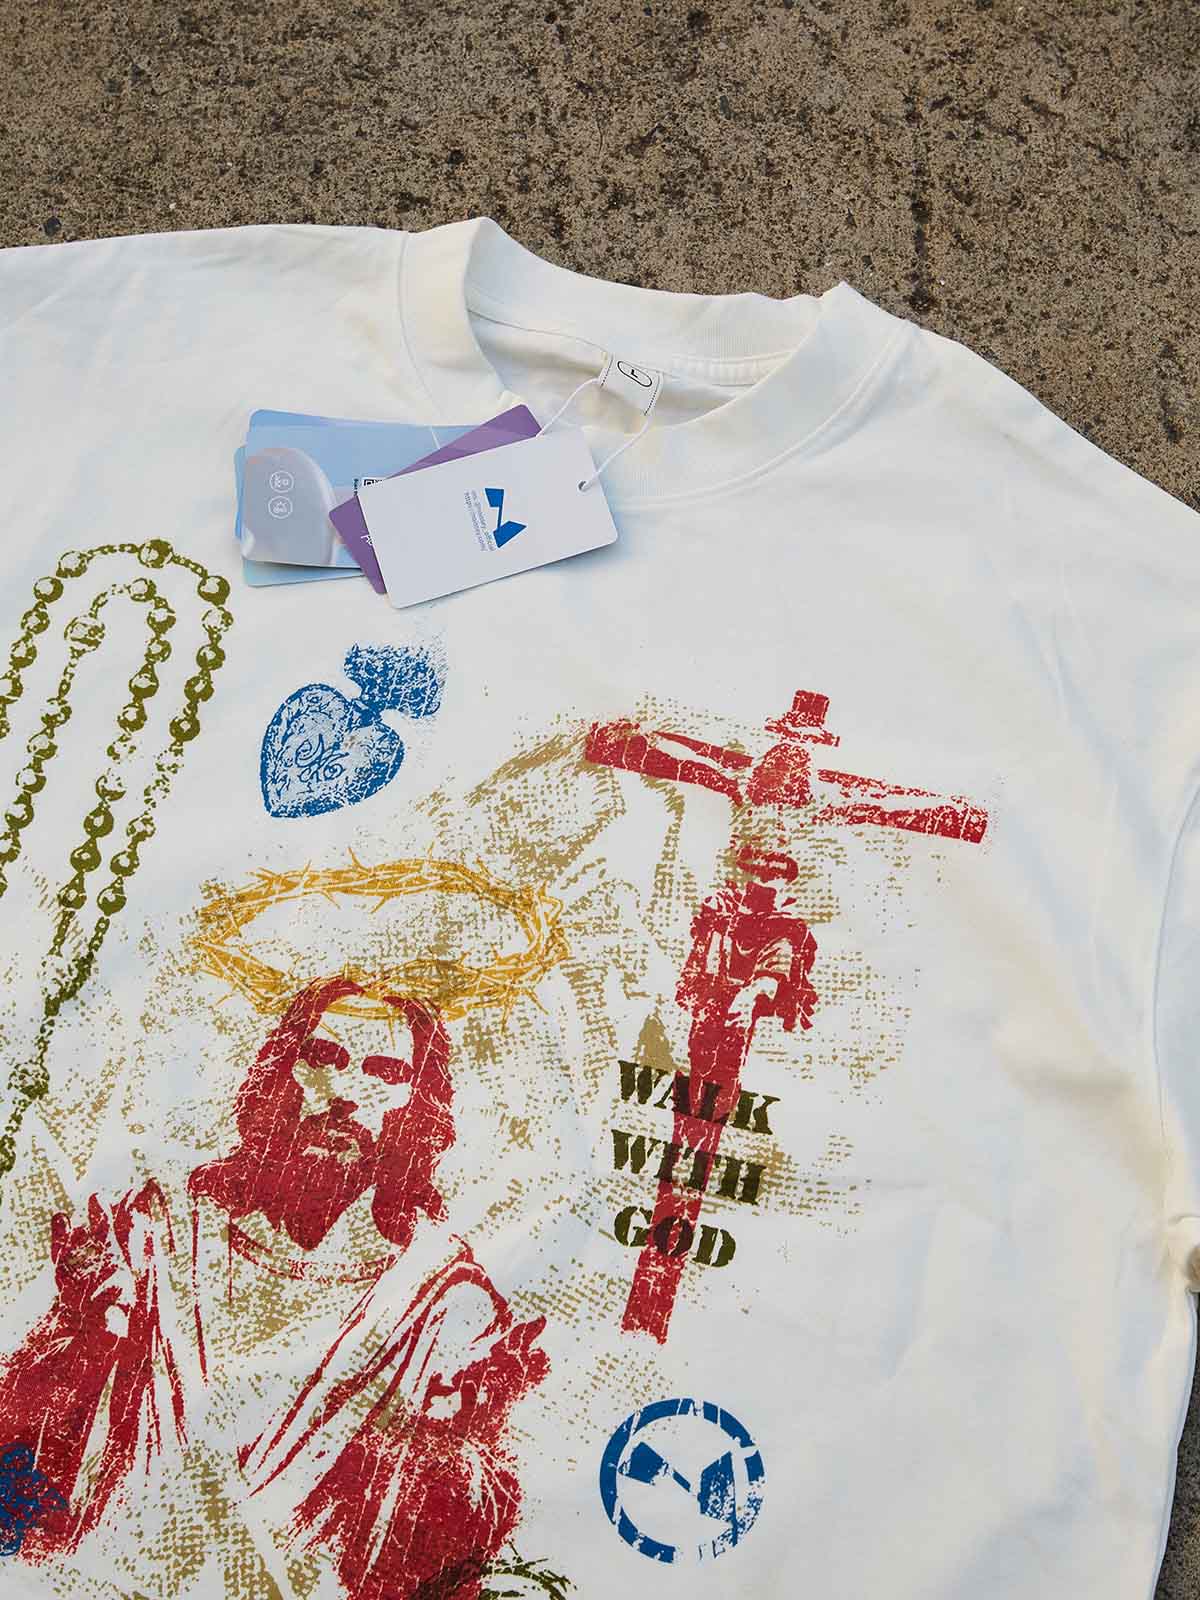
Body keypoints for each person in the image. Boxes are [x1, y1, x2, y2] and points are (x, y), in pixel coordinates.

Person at [0, 976, 549, 1600]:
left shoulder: (449, 1301)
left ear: (418, 1107)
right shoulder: (158, 1236)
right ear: (279, 1074)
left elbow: (449, 1566)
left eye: (385, 1071)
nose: (345, 1095)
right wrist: (76, 1348)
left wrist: (455, 1447)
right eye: (323, 1058)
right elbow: (14, 1507)